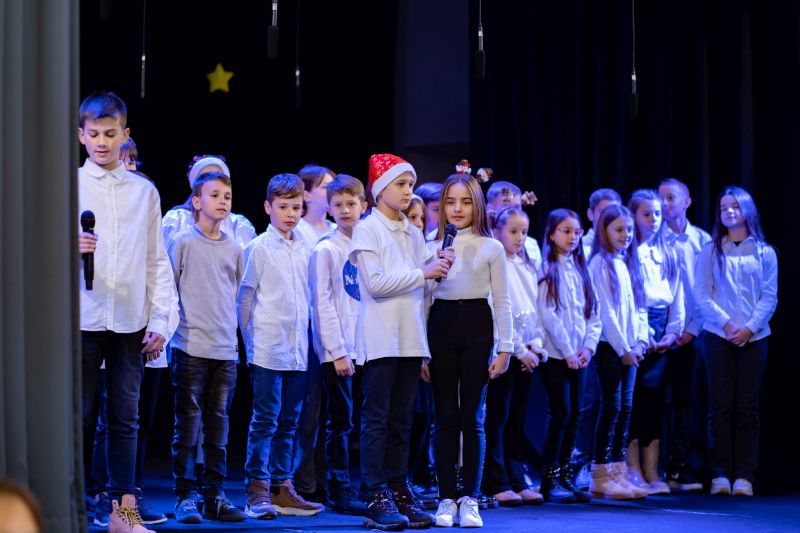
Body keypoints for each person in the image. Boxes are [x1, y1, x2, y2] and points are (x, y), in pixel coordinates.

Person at [78, 91, 174, 533]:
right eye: (94, 133)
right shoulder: (67, 186)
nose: (102, 142)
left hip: (129, 320)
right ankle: (74, 506)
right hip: (80, 317)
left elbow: (157, 260)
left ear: (125, 135)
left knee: (125, 419)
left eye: (110, 133)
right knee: (78, 416)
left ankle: (125, 514)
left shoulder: (144, 192)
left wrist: (160, 320)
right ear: (81, 135)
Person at [350, 154, 452, 530]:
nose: (409, 191)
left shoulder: (412, 232)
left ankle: (398, 487)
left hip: (410, 339)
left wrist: (437, 272)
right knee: (376, 419)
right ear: (380, 190)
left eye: (411, 184)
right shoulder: (367, 229)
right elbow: (376, 284)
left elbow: (421, 287)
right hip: (380, 339)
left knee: (401, 421)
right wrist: (423, 272)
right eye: (401, 184)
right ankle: (374, 492)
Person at [427, 174, 513, 528]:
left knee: (473, 417)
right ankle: (446, 497)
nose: (457, 209)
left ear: (477, 205)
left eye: (465, 202)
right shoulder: (430, 244)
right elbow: (423, 301)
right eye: (450, 202)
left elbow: (502, 300)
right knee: (445, 416)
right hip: (441, 325)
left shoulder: (491, 247)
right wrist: (421, 351)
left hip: (478, 324)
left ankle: (470, 499)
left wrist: (505, 347)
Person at [238, 174, 326, 518]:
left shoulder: (305, 249)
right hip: (266, 348)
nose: (291, 214)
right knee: (265, 420)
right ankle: (257, 489)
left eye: (296, 207)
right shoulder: (259, 247)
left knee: (290, 421)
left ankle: (281, 487)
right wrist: (249, 343)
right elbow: (245, 299)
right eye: (284, 207)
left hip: (297, 349)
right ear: (268, 207)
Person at [168, 172, 246, 523]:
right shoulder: (183, 241)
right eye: (215, 195)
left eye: (227, 196)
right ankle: (185, 495)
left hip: (224, 349)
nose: (223, 201)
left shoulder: (234, 248)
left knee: (218, 427)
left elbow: (237, 295)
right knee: (187, 425)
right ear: (197, 202)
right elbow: (170, 289)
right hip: (190, 347)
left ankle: (214, 495)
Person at [695, 186, 777, 497]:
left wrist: (749, 328)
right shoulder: (711, 250)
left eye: (735, 206)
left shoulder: (765, 252)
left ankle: (744, 475)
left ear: (747, 210)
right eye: (724, 207)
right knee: (719, 405)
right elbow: (702, 293)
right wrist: (728, 324)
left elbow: (769, 297)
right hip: (719, 336)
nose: (729, 211)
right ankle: (720, 474)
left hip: (754, 338)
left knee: (747, 406)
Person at [309, 174, 369, 515]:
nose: (345, 210)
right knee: (340, 421)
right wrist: (336, 351)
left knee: (366, 421)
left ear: (364, 206)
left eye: (351, 204)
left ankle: (369, 484)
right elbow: (322, 304)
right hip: (340, 352)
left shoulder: (370, 246)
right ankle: (338, 486)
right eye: (338, 205)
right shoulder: (326, 249)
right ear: (329, 209)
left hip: (369, 347)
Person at [483, 207, 549, 507]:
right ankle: (496, 480)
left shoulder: (526, 265)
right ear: (497, 231)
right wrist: (519, 350)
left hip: (525, 354)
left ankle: (517, 476)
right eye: (513, 231)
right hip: (504, 351)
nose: (520, 237)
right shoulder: (495, 265)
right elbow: (498, 311)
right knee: (497, 416)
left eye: (524, 232)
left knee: (517, 417)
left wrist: (535, 345)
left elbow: (534, 309)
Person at [536, 209, 601, 504]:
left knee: (575, 413)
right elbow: (548, 314)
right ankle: (549, 478)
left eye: (576, 232)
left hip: (580, 355)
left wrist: (588, 347)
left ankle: (564, 474)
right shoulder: (547, 269)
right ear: (552, 234)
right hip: (555, 354)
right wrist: (567, 352)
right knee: (560, 413)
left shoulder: (581, 268)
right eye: (566, 231)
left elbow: (593, 313)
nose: (572, 237)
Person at [587, 204, 649, 500]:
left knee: (624, 409)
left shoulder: (627, 262)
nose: (626, 235)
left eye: (629, 229)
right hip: (610, 348)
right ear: (605, 230)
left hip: (629, 349)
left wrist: (639, 342)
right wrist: (624, 348)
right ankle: (601, 474)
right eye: (619, 229)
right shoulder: (599, 263)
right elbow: (606, 313)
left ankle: (618, 470)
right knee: (610, 408)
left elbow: (639, 308)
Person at [625, 190, 685, 495]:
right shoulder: (628, 253)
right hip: (637, 329)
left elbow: (677, 297)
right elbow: (631, 298)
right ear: (634, 216)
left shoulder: (668, 251)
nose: (653, 219)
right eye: (646, 214)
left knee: (656, 401)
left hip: (662, 329)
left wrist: (672, 332)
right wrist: (643, 334)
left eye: (657, 214)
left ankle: (652, 467)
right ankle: (632, 467)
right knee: (634, 401)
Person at [657, 178, 711, 492]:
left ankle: (679, 467)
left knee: (685, 400)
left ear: (687, 201)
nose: (665, 204)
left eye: (670, 197)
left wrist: (690, 330)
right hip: (659, 333)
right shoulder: (654, 238)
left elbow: (708, 290)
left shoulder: (702, 241)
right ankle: (655, 466)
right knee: (656, 400)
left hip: (692, 332)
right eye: (660, 198)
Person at [571, 188, 623, 487]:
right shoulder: (584, 244)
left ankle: (609, 466)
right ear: (592, 214)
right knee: (588, 403)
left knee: (613, 404)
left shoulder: (621, 250)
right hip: (590, 338)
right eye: (604, 212)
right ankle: (581, 463)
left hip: (602, 337)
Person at [293, 164, 337, 503]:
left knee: (335, 410)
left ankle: (329, 478)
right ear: (306, 195)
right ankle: (303, 480)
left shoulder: (338, 230)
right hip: (308, 329)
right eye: (325, 186)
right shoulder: (298, 231)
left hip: (337, 330)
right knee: (308, 410)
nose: (331, 191)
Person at [162, 155, 257, 248]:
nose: (214, 182)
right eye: (206, 177)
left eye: (219, 177)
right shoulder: (176, 220)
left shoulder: (239, 225)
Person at [485, 181, 542, 271]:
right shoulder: (481, 245)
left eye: (517, 207)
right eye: (506, 207)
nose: (513, 213)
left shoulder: (531, 246)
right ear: (490, 208)